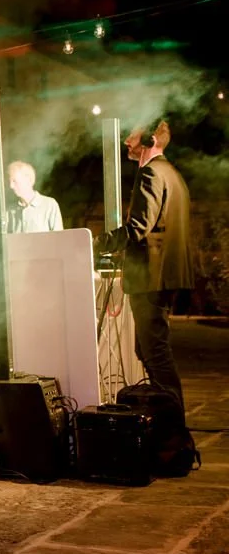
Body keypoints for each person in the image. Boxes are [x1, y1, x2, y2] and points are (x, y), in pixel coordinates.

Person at [97, 118, 193, 408]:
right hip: (163, 276)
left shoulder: (151, 173)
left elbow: (138, 226)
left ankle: (172, 428)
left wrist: (96, 244)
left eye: (132, 136)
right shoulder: (172, 173)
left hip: (152, 278)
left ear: (150, 140)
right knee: (148, 349)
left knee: (155, 353)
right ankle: (165, 423)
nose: (127, 142)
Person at [7, 161, 63, 233]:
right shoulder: (9, 211)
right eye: (10, 182)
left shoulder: (50, 205)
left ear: (29, 180)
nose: (11, 186)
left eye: (14, 181)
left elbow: (59, 239)